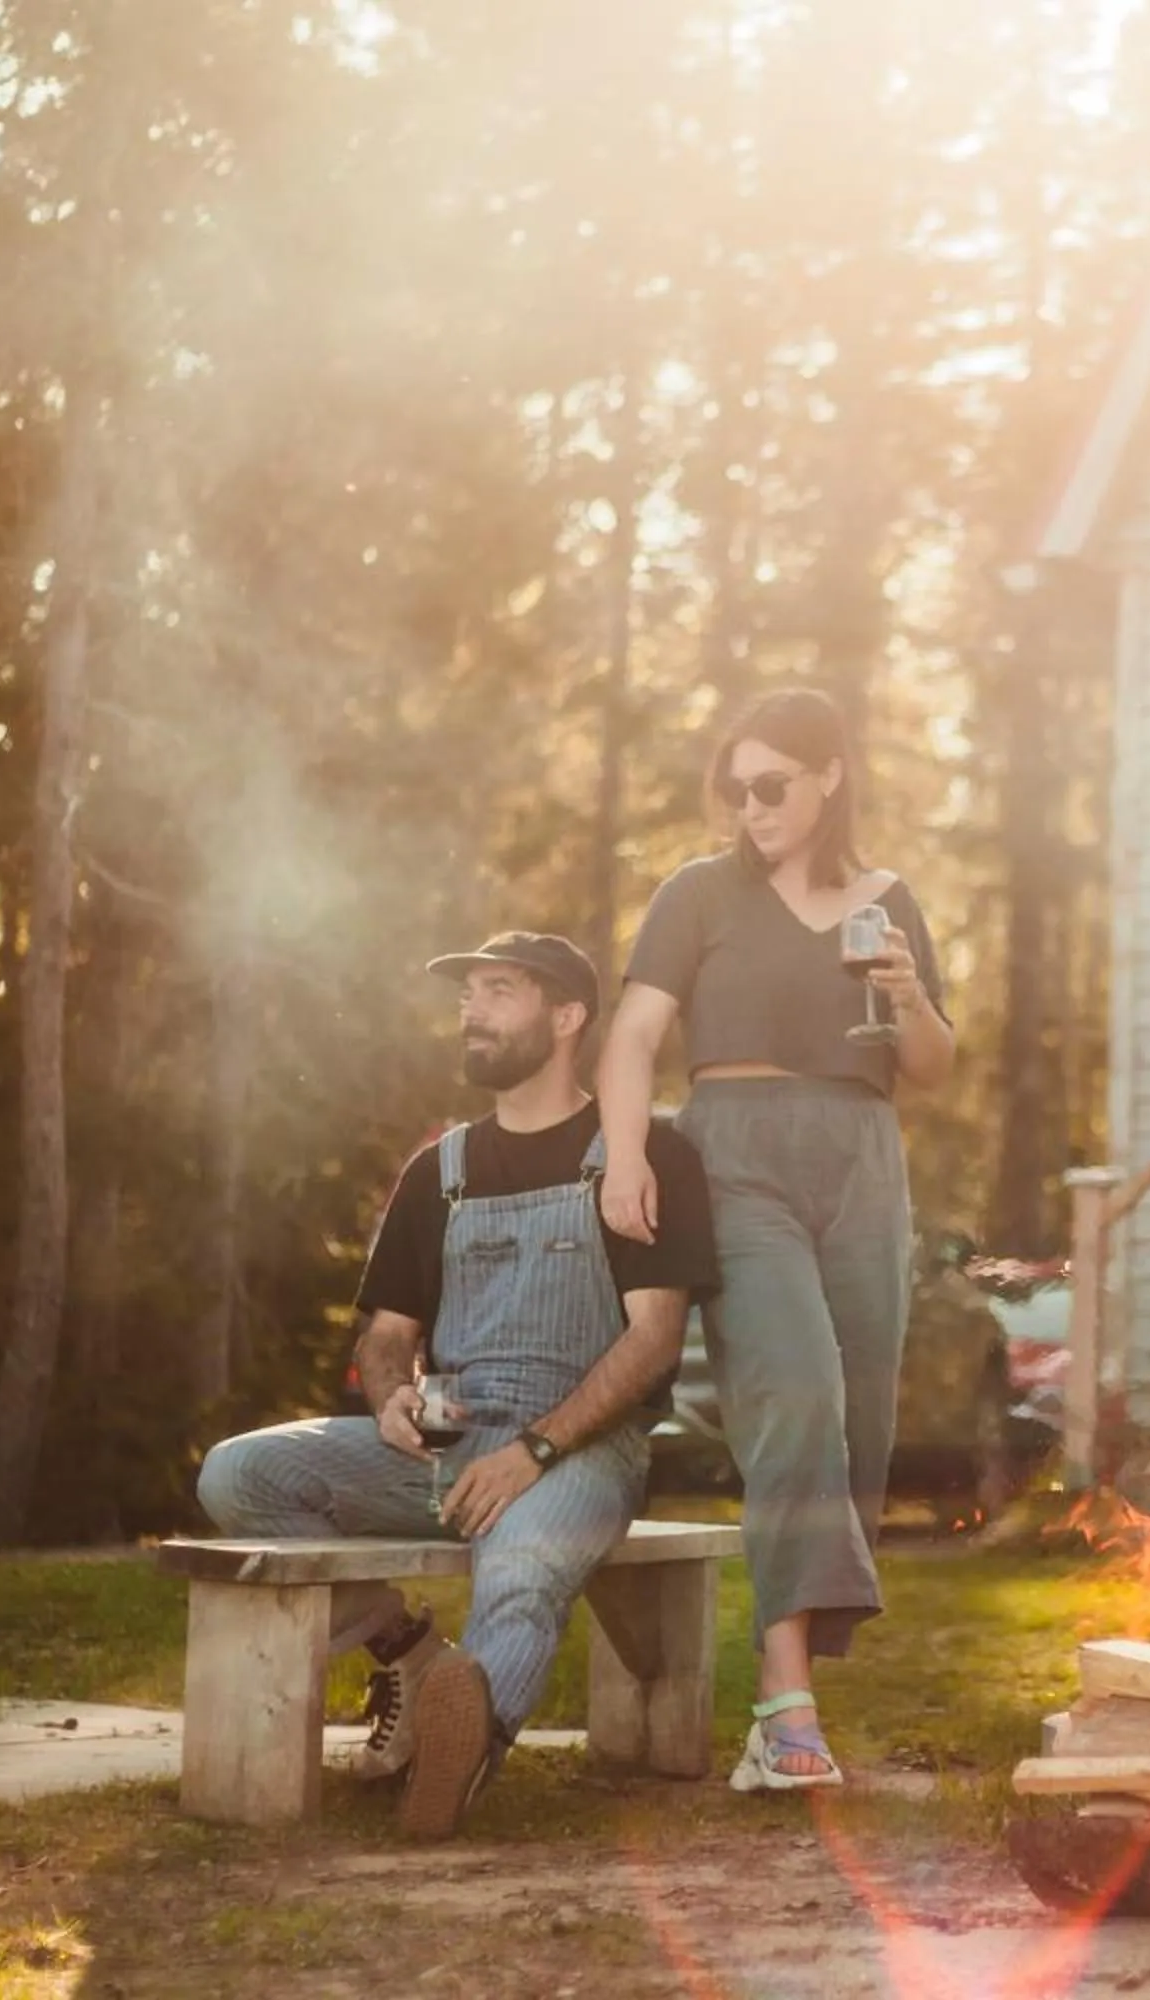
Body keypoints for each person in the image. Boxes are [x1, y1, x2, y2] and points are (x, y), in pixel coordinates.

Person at [195, 930, 719, 1839]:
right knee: (237, 1476)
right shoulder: (437, 1173)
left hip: (583, 1451)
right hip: (449, 1448)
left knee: (521, 1569)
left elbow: (654, 1339)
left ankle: (464, 1745)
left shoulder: (642, 1152)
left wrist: (537, 1449)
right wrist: (392, 1395)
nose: (470, 1011)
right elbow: (388, 1334)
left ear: (566, 1018)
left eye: (499, 991)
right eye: (467, 993)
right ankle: (411, 1651)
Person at [598, 686, 954, 1793]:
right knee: (791, 1393)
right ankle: (784, 1705)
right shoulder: (698, 893)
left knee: (859, 1415)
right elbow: (634, 1037)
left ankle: (797, 1667)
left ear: (829, 776)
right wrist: (626, 1154)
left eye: (771, 785)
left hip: (861, 1158)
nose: (749, 806)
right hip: (736, 1155)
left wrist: (906, 996)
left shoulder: (888, 900)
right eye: (736, 787)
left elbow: (934, 1066)